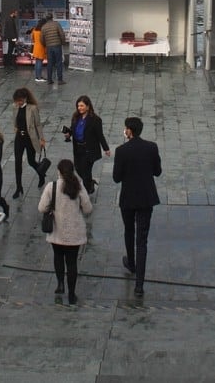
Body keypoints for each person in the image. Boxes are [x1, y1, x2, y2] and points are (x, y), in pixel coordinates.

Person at [112, 116, 162, 297]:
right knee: (142, 240)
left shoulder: (121, 150)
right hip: (146, 198)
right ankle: (139, 285)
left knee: (129, 230)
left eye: (126, 128)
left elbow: (116, 177)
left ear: (129, 131)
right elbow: (157, 171)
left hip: (128, 198)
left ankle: (131, 263)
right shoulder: (151, 147)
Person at [38, 158, 92, 304]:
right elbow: (88, 208)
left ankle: (60, 283)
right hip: (74, 231)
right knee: (72, 262)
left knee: (58, 256)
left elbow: (42, 208)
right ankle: (72, 293)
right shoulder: (78, 186)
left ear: (59, 172)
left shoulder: (52, 187)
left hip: (57, 229)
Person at [63, 95, 111, 195]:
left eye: (82, 106)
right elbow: (73, 129)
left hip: (89, 149)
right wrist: (69, 133)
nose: (79, 108)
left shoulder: (95, 120)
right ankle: (90, 183)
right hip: (78, 148)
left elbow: (100, 135)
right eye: (78, 106)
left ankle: (86, 191)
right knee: (77, 168)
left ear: (88, 106)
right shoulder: (75, 117)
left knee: (86, 171)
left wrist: (106, 148)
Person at [11, 87, 46, 198]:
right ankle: (18, 186)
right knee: (17, 162)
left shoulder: (33, 108)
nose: (18, 103)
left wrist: (41, 138)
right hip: (19, 138)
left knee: (31, 161)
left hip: (30, 138)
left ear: (25, 99)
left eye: (20, 100)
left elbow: (38, 124)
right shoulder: (15, 107)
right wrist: (15, 127)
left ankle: (41, 174)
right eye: (17, 100)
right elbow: (15, 119)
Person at [41, 13, 66, 84]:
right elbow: (62, 34)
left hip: (49, 47)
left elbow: (41, 39)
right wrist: (63, 42)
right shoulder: (56, 24)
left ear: (46, 19)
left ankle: (49, 80)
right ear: (52, 18)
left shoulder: (44, 27)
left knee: (50, 63)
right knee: (59, 63)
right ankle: (60, 80)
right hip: (57, 45)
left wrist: (45, 45)